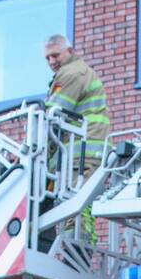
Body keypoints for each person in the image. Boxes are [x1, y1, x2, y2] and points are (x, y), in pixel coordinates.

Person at [43, 34, 110, 241]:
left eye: (55, 55)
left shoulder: (71, 74)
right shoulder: (80, 71)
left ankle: (76, 252)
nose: (52, 61)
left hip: (81, 154)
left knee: (76, 208)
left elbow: (53, 116)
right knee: (79, 206)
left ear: (70, 52)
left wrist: (33, 149)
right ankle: (78, 249)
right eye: (47, 58)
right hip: (85, 153)